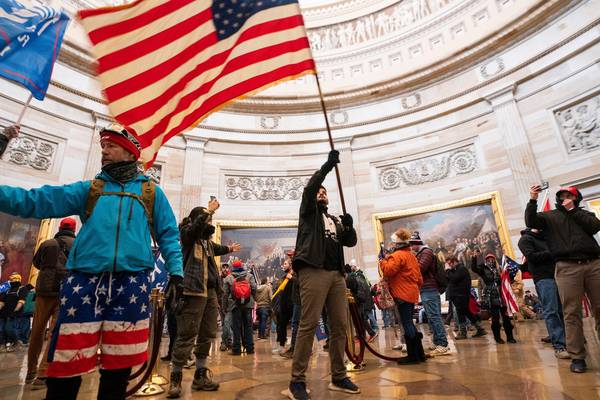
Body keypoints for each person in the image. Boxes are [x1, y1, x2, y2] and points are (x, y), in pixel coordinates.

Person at [0, 124, 184, 400]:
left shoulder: (151, 193)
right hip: (83, 282)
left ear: (130, 152)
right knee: (66, 364)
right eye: (103, 146)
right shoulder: (90, 189)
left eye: (111, 146)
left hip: (131, 283)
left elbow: (169, 235)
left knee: (118, 368)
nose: (104, 151)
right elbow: (35, 201)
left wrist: (177, 274)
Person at [286, 150, 359, 400]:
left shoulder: (334, 220)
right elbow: (310, 188)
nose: (321, 193)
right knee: (308, 325)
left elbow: (350, 242)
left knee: (340, 325)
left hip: (336, 275)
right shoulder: (308, 214)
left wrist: (348, 226)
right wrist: (328, 165)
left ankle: (339, 375)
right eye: (320, 191)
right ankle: (297, 381)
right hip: (313, 271)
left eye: (325, 192)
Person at [525, 185, 600, 373]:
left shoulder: (585, 215)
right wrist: (533, 199)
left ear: (576, 198)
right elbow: (530, 220)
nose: (564, 199)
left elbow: (595, 227)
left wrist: (572, 210)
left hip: (593, 265)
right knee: (571, 312)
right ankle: (577, 356)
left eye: (569, 196)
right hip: (567, 267)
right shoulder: (550, 217)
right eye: (562, 196)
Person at [168, 203, 240, 397]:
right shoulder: (187, 235)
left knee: (207, 333)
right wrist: (208, 211)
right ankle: (175, 378)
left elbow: (218, 248)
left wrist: (229, 248)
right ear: (196, 220)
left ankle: (200, 375)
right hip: (192, 292)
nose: (210, 223)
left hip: (210, 294)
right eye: (207, 220)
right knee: (186, 335)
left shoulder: (207, 242)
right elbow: (193, 231)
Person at [26, 217, 77, 387]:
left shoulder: (47, 243)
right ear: (74, 229)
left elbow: (36, 263)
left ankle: (30, 371)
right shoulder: (77, 244)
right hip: (65, 291)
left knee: (37, 331)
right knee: (55, 332)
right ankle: (43, 373)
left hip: (44, 290)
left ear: (60, 227)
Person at [380, 228, 424, 364]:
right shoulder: (411, 255)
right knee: (409, 322)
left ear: (397, 243)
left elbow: (388, 270)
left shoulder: (398, 255)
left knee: (406, 323)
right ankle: (419, 354)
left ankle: (413, 356)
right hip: (411, 293)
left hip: (401, 293)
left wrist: (382, 260)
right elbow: (419, 278)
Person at [409, 232, 449, 356]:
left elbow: (420, 268)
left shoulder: (426, 252)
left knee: (435, 317)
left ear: (416, 244)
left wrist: (410, 262)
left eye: (411, 245)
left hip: (430, 288)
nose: (410, 248)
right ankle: (437, 342)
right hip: (426, 288)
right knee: (432, 317)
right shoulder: (422, 253)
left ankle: (443, 344)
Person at [471, 252, 516, 344]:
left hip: (502, 295)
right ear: (486, 260)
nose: (490, 261)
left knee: (506, 318)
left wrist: (511, 273)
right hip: (491, 296)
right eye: (488, 259)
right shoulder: (483, 269)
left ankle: (510, 337)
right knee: (495, 319)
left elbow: (509, 279)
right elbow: (474, 268)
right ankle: (497, 338)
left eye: (492, 259)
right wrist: (474, 258)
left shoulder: (500, 269)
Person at [445, 256, 487, 340]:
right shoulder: (456, 270)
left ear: (455, 262)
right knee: (467, 312)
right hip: (458, 295)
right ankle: (480, 329)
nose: (449, 266)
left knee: (461, 313)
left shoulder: (461, 269)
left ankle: (463, 332)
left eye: (450, 264)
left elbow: (453, 279)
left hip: (461, 295)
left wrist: (447, 270)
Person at [223, 259, 256, 356]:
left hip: (235, 306)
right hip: (248, 305)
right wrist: (252, 299)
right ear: (242, 266)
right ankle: (250, 348)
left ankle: (236, 349)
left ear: (233, 268)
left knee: (236, 327)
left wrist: (225, 307)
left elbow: (225, 294)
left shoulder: (228, 278)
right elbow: (254, 288)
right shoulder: (249, 276)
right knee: (248, 327)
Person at [346, 261, 378, 342]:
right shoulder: (357, 277)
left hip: (358, 301)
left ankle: (371, 333)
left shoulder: (351, 278)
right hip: (361, 300)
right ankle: (363, 336)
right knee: (361, 318)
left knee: (360, 318)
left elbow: (353, 290)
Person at [0, 272, 26, 352]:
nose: (12, 282)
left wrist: (15, 311)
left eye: (14, 280)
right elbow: (2, 302)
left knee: (9, 329)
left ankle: (17, 342)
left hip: (13, 314)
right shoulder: (7, 291)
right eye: (11, 280)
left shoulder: (22, 289)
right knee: (1, 330)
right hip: (3, 314)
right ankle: (2, 345)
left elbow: (21, 302)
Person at [219, 263, 233, 351]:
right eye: (223, 267)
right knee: (225, 323)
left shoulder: (231, 278)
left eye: (226, 267)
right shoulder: (219, 278)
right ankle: (227, 342)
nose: (225, 269)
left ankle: (226, 342)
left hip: (230, 305)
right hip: (221, 304)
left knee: (227, 324)